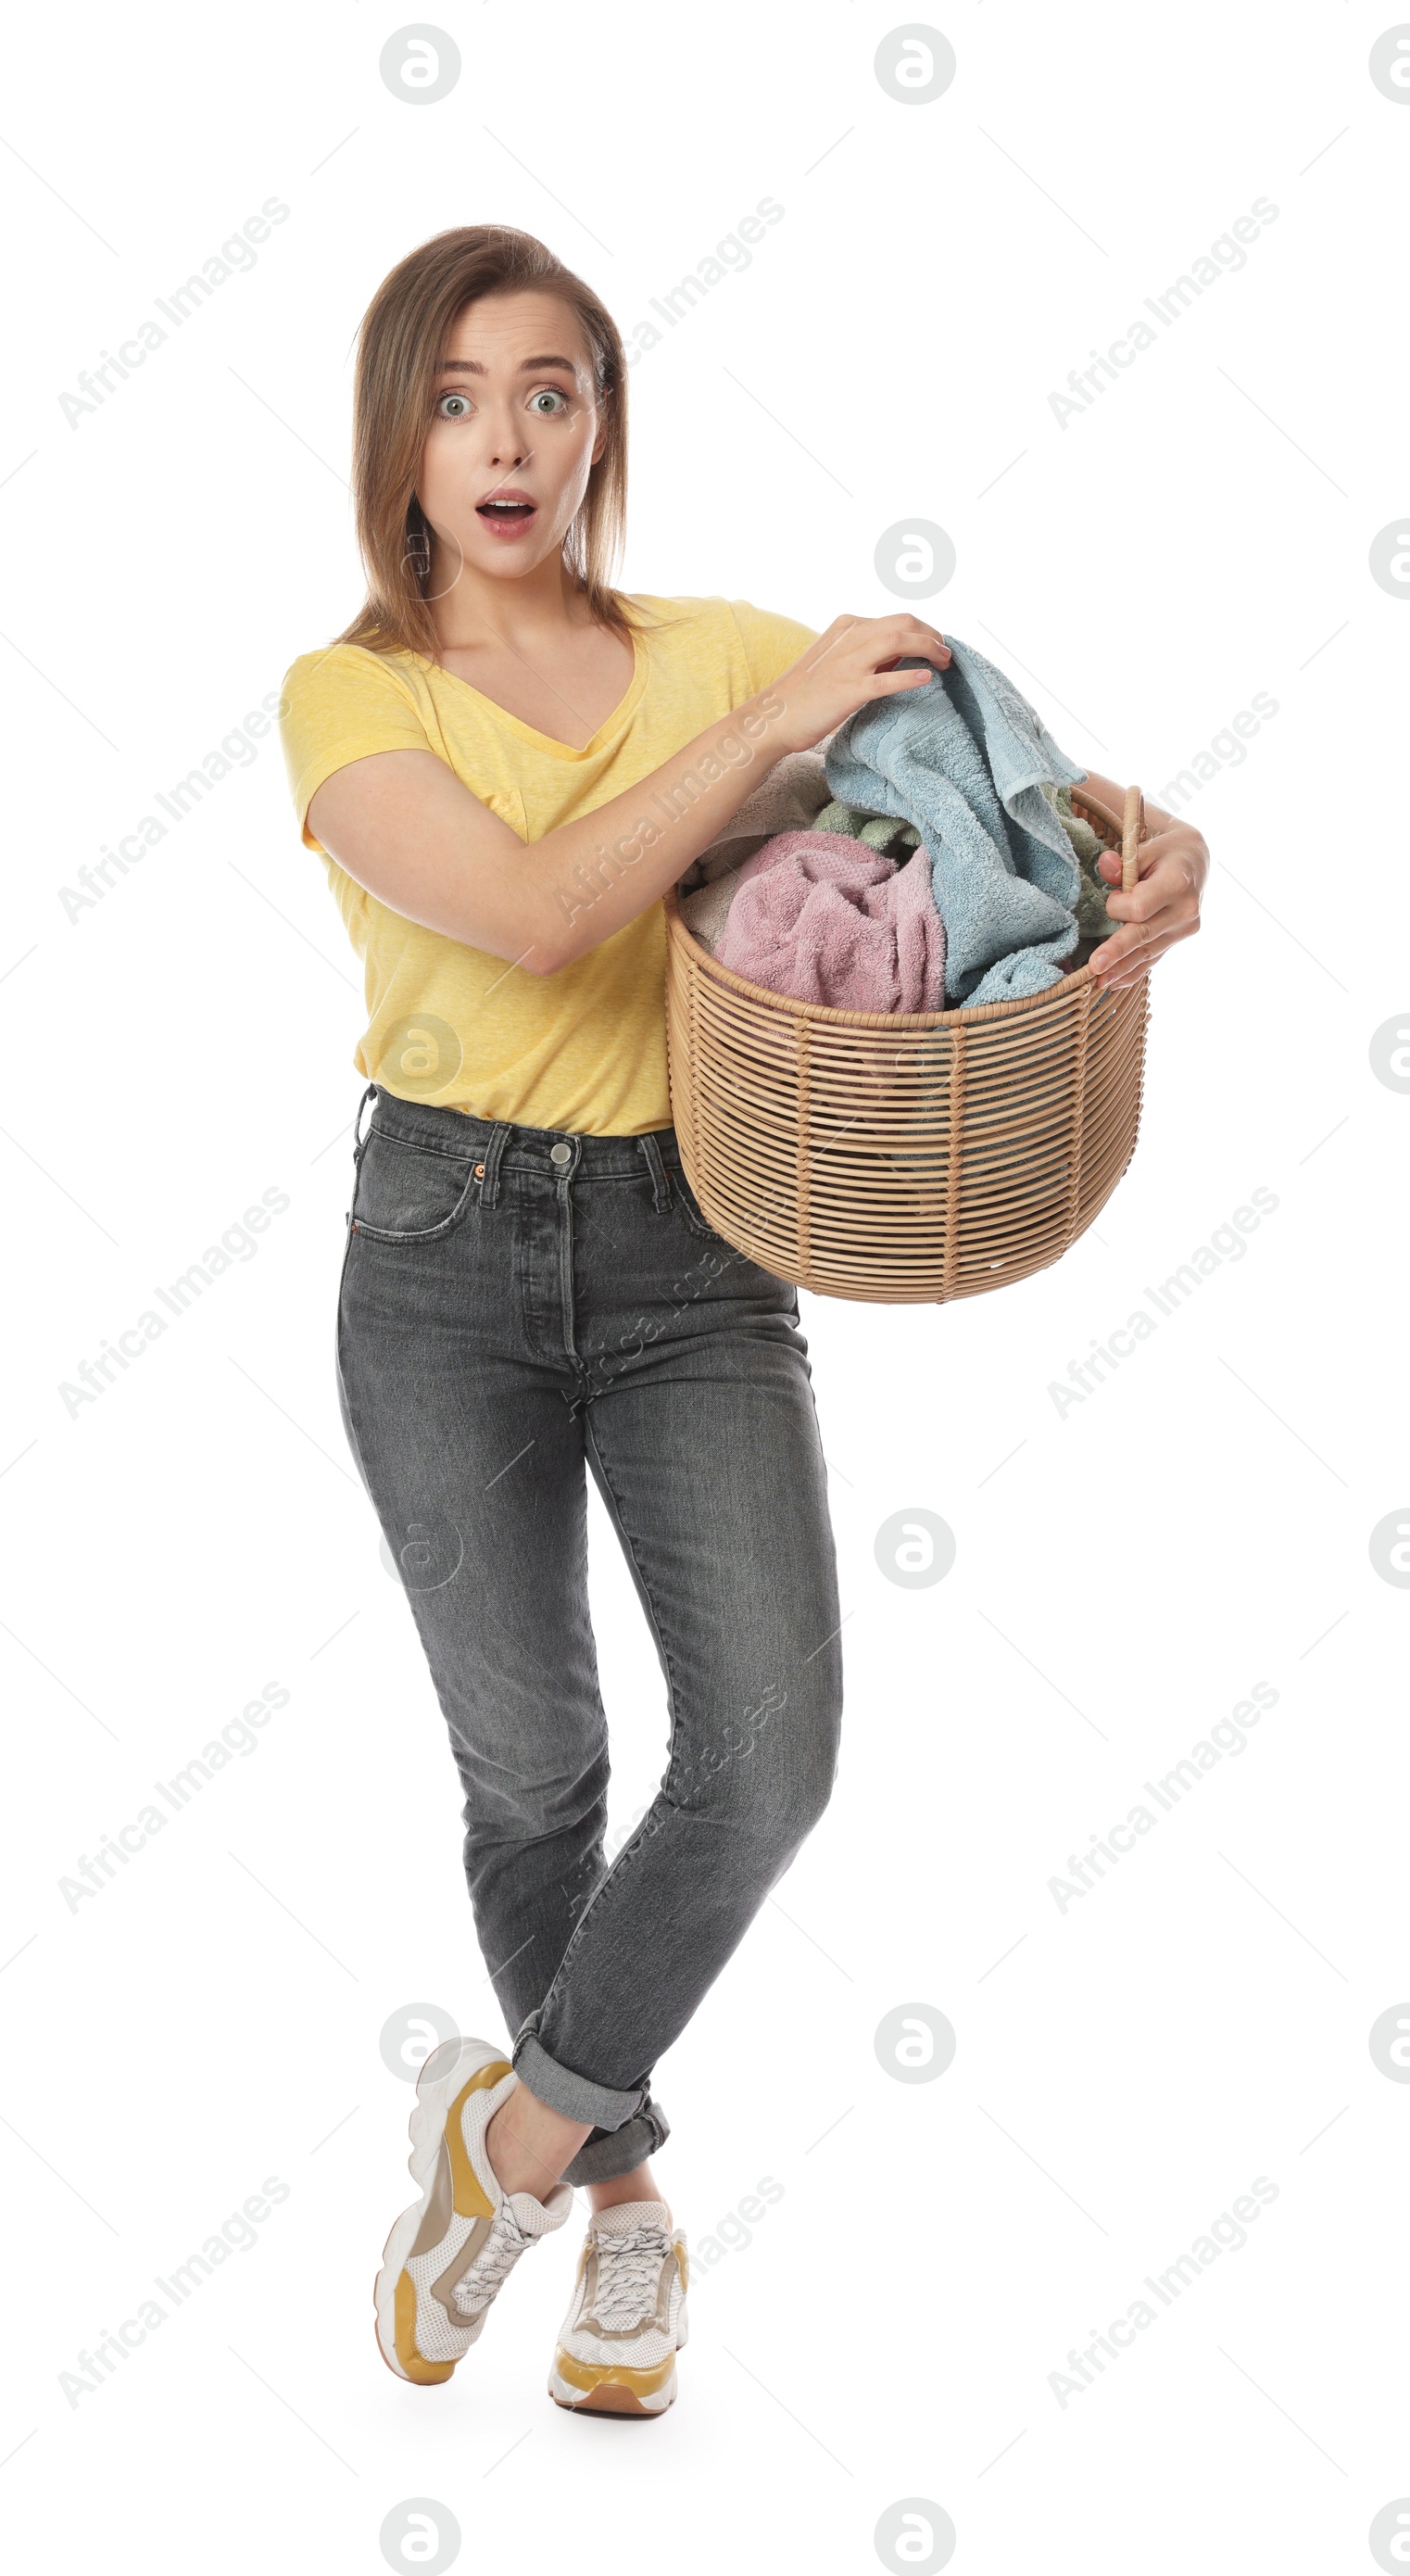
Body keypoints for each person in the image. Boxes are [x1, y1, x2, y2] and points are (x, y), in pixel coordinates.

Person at [277, 224, 1207, 2421]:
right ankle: (618, 2213)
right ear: (396, 439)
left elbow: (972, 825)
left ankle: (502, 2141)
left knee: (766, 1756)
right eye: (459, 396)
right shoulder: (352, 695)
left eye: (554, 391)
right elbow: (526, 917)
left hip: (695, 1252)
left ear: (602, 420)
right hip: (433, 1254)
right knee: (536, 1770)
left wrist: (1147, 876)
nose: (510, 441)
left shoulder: (719, 651)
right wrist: (781, 722)